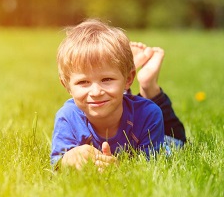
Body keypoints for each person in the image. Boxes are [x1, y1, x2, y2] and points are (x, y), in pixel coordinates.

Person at [50, 19, 186, 171]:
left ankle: (149, 84)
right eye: (83, 82)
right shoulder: (67, 117)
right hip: (119, 97)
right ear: (67, 85)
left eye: (106, 79)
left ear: (129, 79)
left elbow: (151, 168)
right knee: (112, 95)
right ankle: (121, 69)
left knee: (177, 142)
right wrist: (69, 158)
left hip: (165, 138)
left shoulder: (149, 115)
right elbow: (56, 163)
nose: (95, 92)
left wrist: (119, 168)